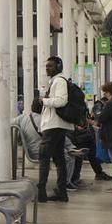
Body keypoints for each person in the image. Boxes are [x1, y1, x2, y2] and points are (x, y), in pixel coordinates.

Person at [37, 56, 75, 203]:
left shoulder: (59, 81)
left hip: (53, 125)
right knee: (59, 159)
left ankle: (41, 192)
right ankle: (62, 192)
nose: (47, 68)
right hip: (57, 126)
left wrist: (43, 101)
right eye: (46, 66)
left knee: (44, 157)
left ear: (58, 67)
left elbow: (61, 101)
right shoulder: (55, 81)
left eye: (50, 66)